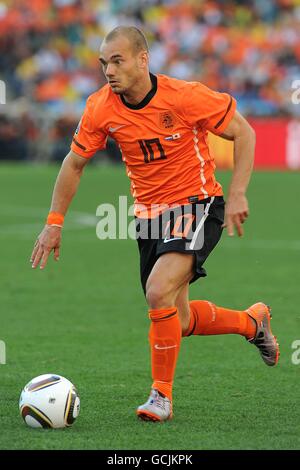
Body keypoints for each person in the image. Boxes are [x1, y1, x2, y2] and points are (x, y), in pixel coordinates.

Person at [30, 26, 280, 422]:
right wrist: (54, 222)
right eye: (103, 63)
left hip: (198, 205)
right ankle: (252, 322)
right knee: (176, 320)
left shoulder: (184, 96)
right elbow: (74, 163)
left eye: (117, 60)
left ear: (142, 59)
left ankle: (160, 397)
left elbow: (243, 132)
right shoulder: (100, 108)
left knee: (158, 290)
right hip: (148, 218)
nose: (108, 71)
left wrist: (237, 193)